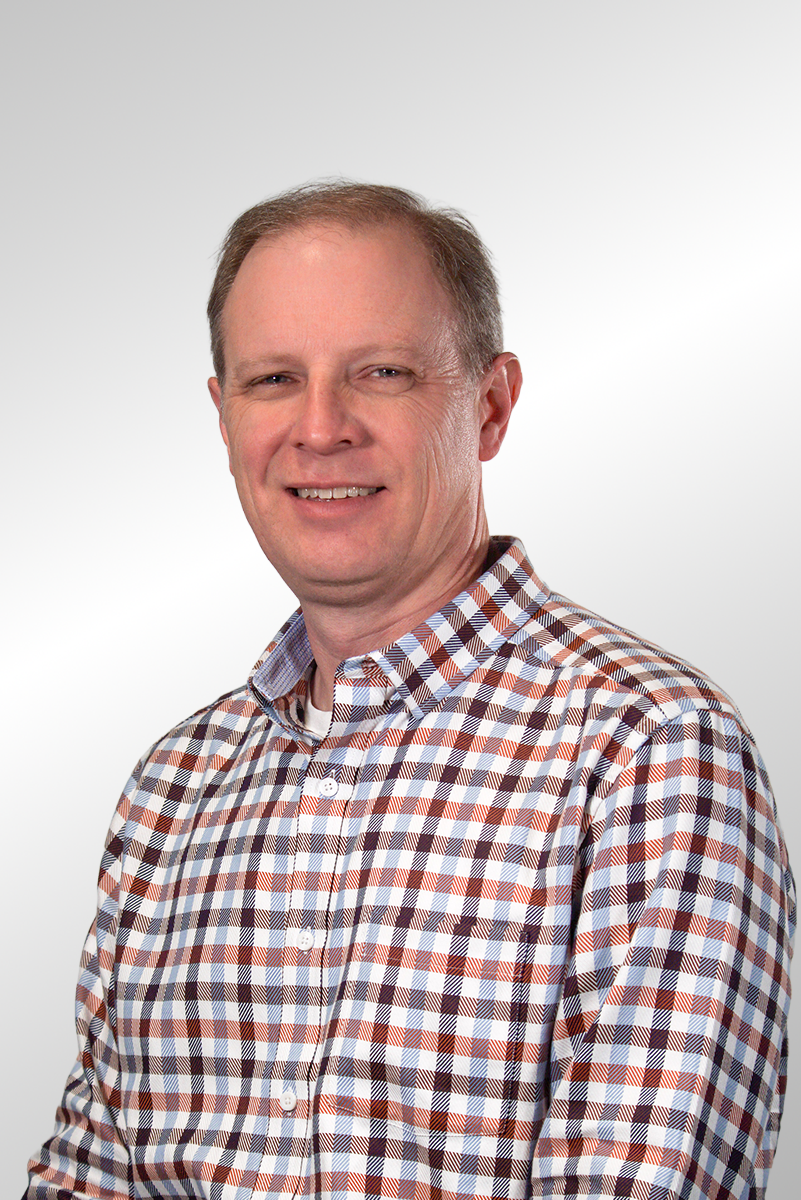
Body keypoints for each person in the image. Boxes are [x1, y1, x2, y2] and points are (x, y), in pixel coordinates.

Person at [26, 182, 794, 1200]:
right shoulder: (172, 790)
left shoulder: (648, 756)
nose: (320, 427)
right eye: (271, 379)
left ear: (490, 403)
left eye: (380, 372)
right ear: (223, 417)